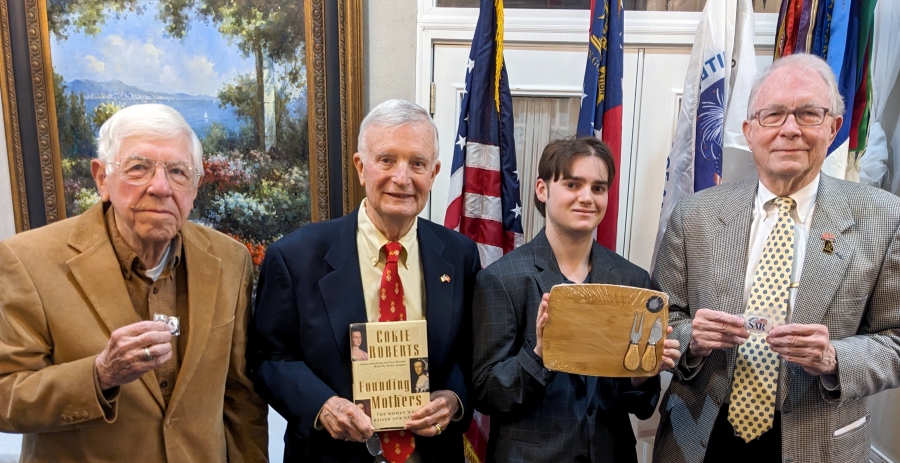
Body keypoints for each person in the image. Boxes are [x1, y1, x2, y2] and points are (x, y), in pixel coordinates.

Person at [653, 53, 900, 463]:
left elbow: (896, 339)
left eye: (808, 113)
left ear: (834, 127)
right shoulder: (694, 214)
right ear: (750, 131)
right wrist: (691, 338)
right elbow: (660, 319)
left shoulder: (884, 218)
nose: (790, 129)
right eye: (773, 115)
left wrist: (835, 358)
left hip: (820, 442)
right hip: (699, 436)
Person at [0, 104, 268, 462]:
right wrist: (99, 375)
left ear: (194, 187)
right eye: (139, 168)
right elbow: (6, 396)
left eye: (177, 171)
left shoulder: (230, 259)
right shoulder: (27, 260)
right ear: (102, 179)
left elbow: (241, 397)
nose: (160, 187)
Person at [250, 99, 480, 462]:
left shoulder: (460, 255)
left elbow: (468, 355)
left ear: (434, 173)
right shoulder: (295, 257)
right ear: (361, 167)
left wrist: (453, 399)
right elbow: (268, 359)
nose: (402, 178)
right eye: (386, 160)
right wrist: (323, 405)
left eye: (417, 163)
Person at [472, 137, 681, 462]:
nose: (586, 197)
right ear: (542, 189)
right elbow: (487, 393)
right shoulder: (501, 278)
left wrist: (643, 370)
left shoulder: (632, 280)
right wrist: (540, 354)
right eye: (572, 184)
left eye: (598, 188)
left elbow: (641, 406)